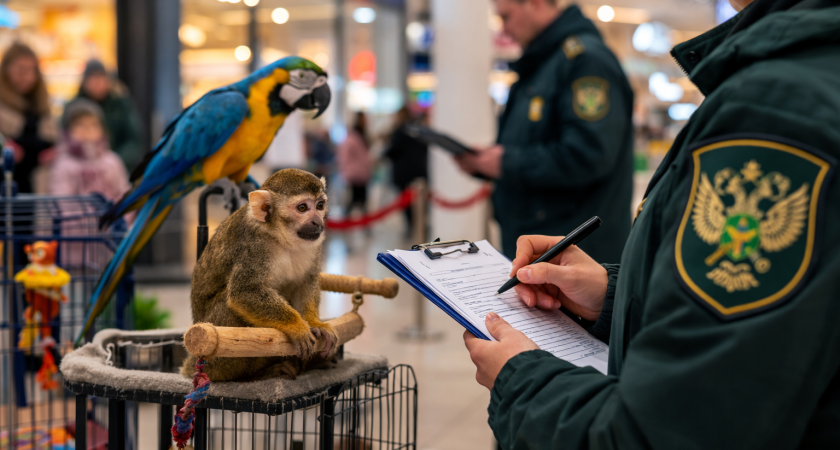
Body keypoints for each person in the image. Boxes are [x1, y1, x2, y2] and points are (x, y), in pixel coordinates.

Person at [463, 0, 840, 447]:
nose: (502, 25)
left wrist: (521, 381)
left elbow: (682, 426)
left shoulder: (780, 106)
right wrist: (613, 297)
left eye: (505, 15)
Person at [456, 0, 633, 263]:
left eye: (506, 17)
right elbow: (532, 141)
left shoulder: (585, 61)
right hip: (542, 247)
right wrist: (489, 163)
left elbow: (589, 154)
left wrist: (507, 162)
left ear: (535, 4)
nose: (503, 30)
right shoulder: (542, 64)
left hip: (577, 254)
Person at [64, 59, 145, 173]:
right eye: (92, 78)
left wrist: (113, 162)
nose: (97, 82)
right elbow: (63, 139)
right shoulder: (73, 107)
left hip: (116, 168)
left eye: (100, 77)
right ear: (84, 81)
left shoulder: (121, 104)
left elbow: (134, 140)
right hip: (77, 171)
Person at [0, 42, 57, 194]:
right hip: (7, 186)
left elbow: (52, 141)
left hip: (38, 187)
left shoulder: (41, 104)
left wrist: (53, 151)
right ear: (6, 70)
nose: (28, 77)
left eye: (33, 70)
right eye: (21, 70)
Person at [50, 99, 130, 203]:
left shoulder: (112, 161)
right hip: (75, 218)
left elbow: (124, 194)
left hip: (112, 218)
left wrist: (120, 218)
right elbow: (60, 201)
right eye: (80, 124)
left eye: (94, 124)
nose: (87, 129)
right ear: (68, 130)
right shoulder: (63, 163)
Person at [383, 107, 428, 235]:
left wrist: (384, 153)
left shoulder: (399, 131)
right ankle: (418, 226)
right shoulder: (417, 130)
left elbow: (393, 151)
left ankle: (412, 227)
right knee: (418, 202)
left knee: (406, 202)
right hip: (419, 170)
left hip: (404, 172)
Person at [337, 112, 373, 216]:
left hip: (361, 174)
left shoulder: (361, 135)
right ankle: (347, 223)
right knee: (354, 201)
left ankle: (365, 225)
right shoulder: (353, 137)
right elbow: (344, 156)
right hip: (354, 174)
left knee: (361, 201)